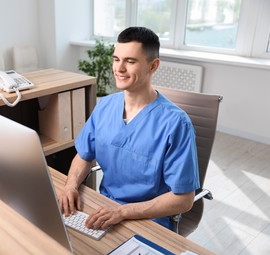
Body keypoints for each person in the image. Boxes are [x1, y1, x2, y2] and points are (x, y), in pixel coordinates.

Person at [58, 26, 200, 231]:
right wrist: (71, 185)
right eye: (116, 59)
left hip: (149, 220)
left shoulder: (176, 123)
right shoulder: (105, 106)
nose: (119, 68)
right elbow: (84, 155)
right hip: (104, 209)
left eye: (130, 61)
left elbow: (184, 200)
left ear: (153, 66)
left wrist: (123, 212)